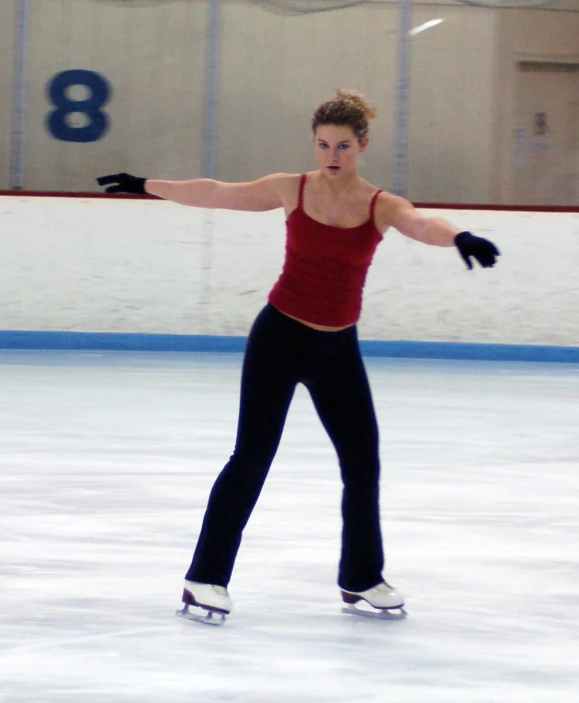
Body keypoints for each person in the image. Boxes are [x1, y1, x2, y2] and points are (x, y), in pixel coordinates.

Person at [97, 89, 499, 618]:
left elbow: (422, 224)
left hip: (337, 347)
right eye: (323, 144)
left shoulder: (381, 205)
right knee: (251, 457)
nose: (332, 155)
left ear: (363, 146)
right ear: (314, 145)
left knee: (362, 461)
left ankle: (361, 577)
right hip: (279, 339)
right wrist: (148, 186)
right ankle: (205, 578)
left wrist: (461, 236)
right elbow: (218, 192)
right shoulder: (292, 188)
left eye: (343, 146)